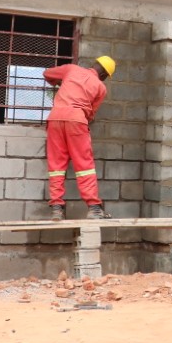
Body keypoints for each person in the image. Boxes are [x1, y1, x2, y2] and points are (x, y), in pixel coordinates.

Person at [44, 56, 115, 221]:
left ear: (94, 64)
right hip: (77, 120)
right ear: (104, 75)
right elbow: (90, 114)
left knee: (56, 165)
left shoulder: (71, 69)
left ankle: (56, 208)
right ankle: (94, 208)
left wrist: (61, 83)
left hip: (54, 118)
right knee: (84, 165)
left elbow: (47, 73)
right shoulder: (100, 87)